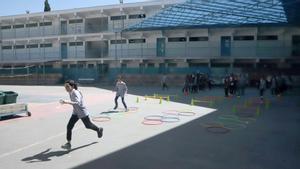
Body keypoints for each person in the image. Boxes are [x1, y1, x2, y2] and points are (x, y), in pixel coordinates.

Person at [60, 80, 103, 150]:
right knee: (69, 126)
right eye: (65, 87)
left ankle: (99, 129)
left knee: (88, 126)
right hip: (76, 112)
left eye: (67, 86)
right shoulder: (70, 92)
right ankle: (68, 143)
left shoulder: (75, 92)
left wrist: (66, 102)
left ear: (72, 86)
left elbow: (78, 102)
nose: (66, 88)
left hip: (82, 112)